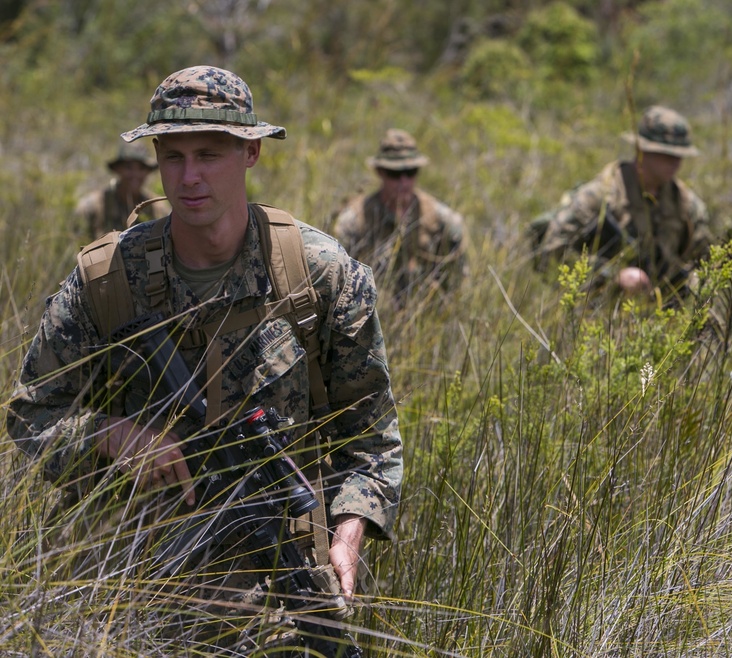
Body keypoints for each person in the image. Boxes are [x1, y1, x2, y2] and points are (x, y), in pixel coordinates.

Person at [8, 65, 403, 654]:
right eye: (173, 156)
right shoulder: (108, 280)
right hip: (129, 579)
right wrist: (112, 435)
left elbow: (370, 438)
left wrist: (347, 536)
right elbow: (30, 417)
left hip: (280, 575)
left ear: (251, 153)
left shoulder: (319, 276)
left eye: (210, 154)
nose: (189, 177)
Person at [533, 105, 715, 304]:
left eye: (679, 156)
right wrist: (612, 276)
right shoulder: (599, 197)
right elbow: (551, 254)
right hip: (598, 310)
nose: (675, 162)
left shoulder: (686, 205)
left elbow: (706, 263)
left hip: (665, 315)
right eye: (665, 154)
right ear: (641, 150)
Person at [331, 129, 467, 308]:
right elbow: (336, 282)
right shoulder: (354, 221)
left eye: (411, 172)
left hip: (426, 312)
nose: (404, 182)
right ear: (380, 172)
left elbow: (458, 281)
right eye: (395, 174)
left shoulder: (443, 220)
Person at [75, 141, 171, 236]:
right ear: (117, 169)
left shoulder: (157, 208)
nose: (135, 174)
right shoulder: (92, 206)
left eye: (141, 168)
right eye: (128, 167)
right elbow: (77, 241)